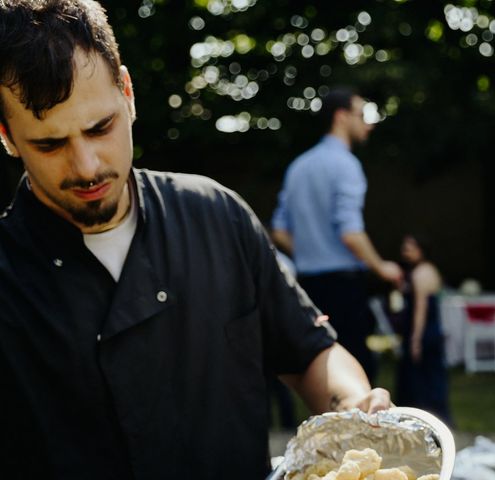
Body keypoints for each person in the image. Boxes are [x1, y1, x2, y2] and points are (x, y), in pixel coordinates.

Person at [0, 2, 391, 478]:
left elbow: (310, 351)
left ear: (127, 92)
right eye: (50, 144)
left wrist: (354, 405)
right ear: (7, 136)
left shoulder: (215, 214)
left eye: (99, 128)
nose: (86, 166)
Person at [271, 88, 402, 381]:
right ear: (341, 117)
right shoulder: (346, 165)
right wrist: (383, 268)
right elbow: (351, 234)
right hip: (344, 286)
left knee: (321, 367)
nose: (369, 124)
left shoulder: (298, 167)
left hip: (307, 285)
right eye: (363, 115)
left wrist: (309, 251)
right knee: (356, 370)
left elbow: (279, 231)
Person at [395, 235, 452, 425]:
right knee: (432, 375)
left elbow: (420, 308)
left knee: (419, 377)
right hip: (431, 330)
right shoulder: (429, 270)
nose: (405, 251)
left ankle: (421, 416)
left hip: (423, 331)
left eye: (409, 248)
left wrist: (415, 339)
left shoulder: (420, 273)